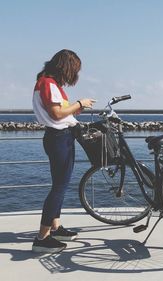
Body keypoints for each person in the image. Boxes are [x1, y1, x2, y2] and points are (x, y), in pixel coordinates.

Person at [31, 49, 95, 253]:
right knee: (59, 187)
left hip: (58, 138)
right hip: (59, 139)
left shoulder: (47, 82)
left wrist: (76, 108)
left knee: (59, 185)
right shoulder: (48, 83)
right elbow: (57, 113)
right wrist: (79, 103)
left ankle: (55, 228)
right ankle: (42, 237)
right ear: (65, 67)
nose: (74, 74)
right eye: (74, 69)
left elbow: (60, 111)